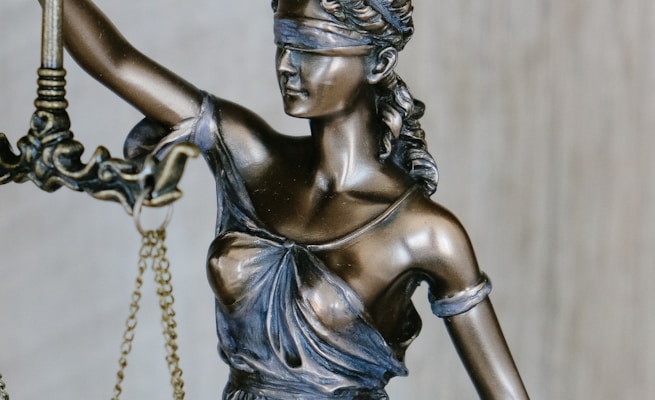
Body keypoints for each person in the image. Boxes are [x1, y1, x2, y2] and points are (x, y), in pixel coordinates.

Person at [47, 0, 529, 398]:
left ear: (378, 62)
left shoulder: (425, 232)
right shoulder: (249, 156)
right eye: (283, 45)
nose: (286, 66)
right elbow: (116, 62)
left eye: (311, 49)